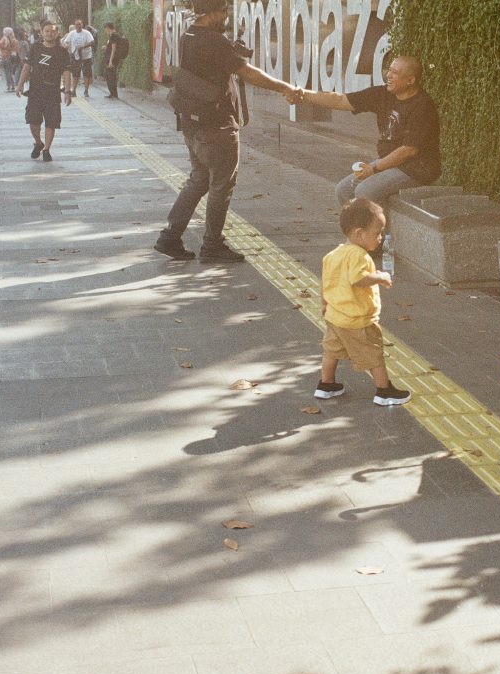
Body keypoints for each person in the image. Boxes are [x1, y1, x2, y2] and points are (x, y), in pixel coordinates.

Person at [154, 0, 300, 263]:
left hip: (192, 122)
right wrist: (283, 87)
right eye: (223, 12)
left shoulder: (188, 35)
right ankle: (212, 245)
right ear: (211, 13)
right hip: (217, 125)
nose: (225, 16)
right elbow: (247, 73)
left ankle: (170, 236)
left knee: (198, 179)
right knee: (221, 185)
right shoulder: (214, 41)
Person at [294, 56, 441, 206]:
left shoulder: (423, 106)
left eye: (395, 72)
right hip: (390, 163)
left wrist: (374, 168)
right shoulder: (383, 94)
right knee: (343, 190)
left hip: (416, 169)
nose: (388, 75)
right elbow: (339, 100)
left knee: (365, 191)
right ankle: (360, 229)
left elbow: (408, 150)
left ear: (410, 80)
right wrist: (303, 94)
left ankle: (381, 230)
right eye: (389, 70)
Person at [315, 199, 411, 406]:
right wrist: (380, 277)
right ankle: (384, 391)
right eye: (377, 232)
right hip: (358, 320)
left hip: (335, 317)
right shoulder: (359, 255)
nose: (380, 238)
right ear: (359, 234)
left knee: (331, 352)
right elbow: (357, 279)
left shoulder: (333, 255)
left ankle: (326, 385)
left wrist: (324, 304)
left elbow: (325, 282)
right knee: (374, 353)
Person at [15, 19, 72, 162]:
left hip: (52, 92)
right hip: (35, 91)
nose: (50, 33)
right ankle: (38, 142)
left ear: (57, 33)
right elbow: (27, 67)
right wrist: (20, 84)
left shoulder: (62, 52)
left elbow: (66, 72)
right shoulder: (35, 48)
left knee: (51, 122)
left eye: (53, 31)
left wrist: (68, 91)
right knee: (33, 121)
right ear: (41, 33)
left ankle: (46, 149)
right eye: (46, 31)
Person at [61, 19, 94, 96]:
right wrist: (65, 46)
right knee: (75, 74)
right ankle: (74, 91)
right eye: (76, 25)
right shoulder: (72, 33)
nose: (78, 26)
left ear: (82, 25)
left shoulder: (86, 33)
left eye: (79, 24)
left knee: (86, 74)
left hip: (86, 56)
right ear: (75, 26)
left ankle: (86, 90)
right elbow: (65, 42)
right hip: (75, 57)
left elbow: (92, 42)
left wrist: (83, 47)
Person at [102, 22, 124, 99]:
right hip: (112, 59)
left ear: (108, 28)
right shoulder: (114, 35)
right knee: (111, 76)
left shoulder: (114, 36)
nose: (105, 31)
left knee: (110, 76)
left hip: (112, 59)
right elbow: (112, 47)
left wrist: (111, 61)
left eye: (105, 29)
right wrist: (106, 47)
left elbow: (114, 49)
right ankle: (113, 93)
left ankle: (114, 94)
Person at [0, 27, 19, 91]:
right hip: (12, 58)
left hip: (5, 57)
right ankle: (13, 86)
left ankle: (9, 86)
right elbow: (16, 50)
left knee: (7, 73)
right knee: (11, 72)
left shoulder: (4, 39)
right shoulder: (14, 40)